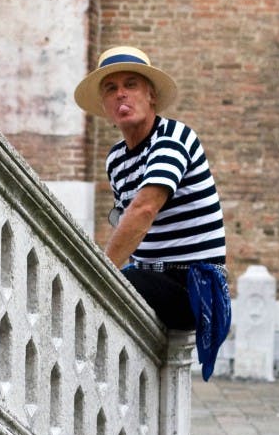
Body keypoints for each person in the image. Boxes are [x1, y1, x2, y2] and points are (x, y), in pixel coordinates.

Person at [74, 46, 230, 379]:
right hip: (150, 274)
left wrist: (99, 275)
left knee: (109, 287)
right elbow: (125, 219)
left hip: (194, 285)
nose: (121, 95)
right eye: (111, 89)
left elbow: (143, 210)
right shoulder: (115, 158)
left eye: (130, 84)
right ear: (104, 104)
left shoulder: (174, 138)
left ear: (151, 96)